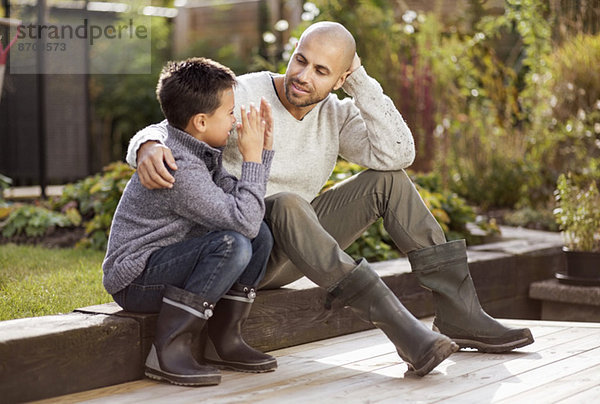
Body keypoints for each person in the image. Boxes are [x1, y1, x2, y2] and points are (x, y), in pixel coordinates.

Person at [127, 22, 534, 376]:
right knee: (286, 202)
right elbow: (179, 121)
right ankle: (401, 328)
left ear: (341, 79)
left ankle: (460, 312)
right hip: (242, 248)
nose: (303, 76)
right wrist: (145, 144)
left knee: (387, 180)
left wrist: (361, 82)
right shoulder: (247, 91)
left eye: (322, 70)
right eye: (300, 60)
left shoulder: (338, 116)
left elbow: (398, 152)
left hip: (297, 247)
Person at [103, 57, 277, 387]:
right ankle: (168, 349)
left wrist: (263, 152)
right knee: (234, 243)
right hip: (135, 279)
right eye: (229, 112)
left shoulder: (199, 150)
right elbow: (242, 222)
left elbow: (248, 215)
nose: (234, 121)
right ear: (200, 121)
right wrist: (253, 158)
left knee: (261, 238)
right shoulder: (180, 166)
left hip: (169, 259)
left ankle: (224, 340)